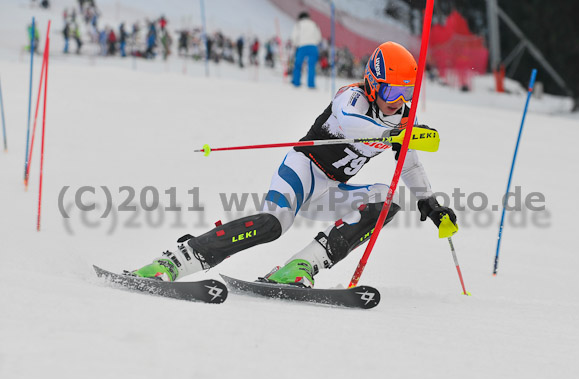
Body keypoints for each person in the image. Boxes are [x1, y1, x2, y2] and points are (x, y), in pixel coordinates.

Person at [132, 42, 458, 287]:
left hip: (333, 190)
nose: (398, 102)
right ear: (373, 82)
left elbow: (411, 166)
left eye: (406, 93)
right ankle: (177, 260)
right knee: (273, 224)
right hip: (304, 170)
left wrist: (429, 203)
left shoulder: (400, 118)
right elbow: (349, 122)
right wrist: (398, 133)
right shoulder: (353, 98)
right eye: (391, 91)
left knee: (388, 198)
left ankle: (302, 266)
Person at [290, 11, 322, 88]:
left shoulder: (298, 24)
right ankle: (311, 84)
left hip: (302, 46)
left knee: (298, 65)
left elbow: (294, 37)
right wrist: (314, 42)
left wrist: (296, 44)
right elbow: (319, 37)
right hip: (313, 47)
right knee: (311, 66)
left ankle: (296, 82)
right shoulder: (314, 24)